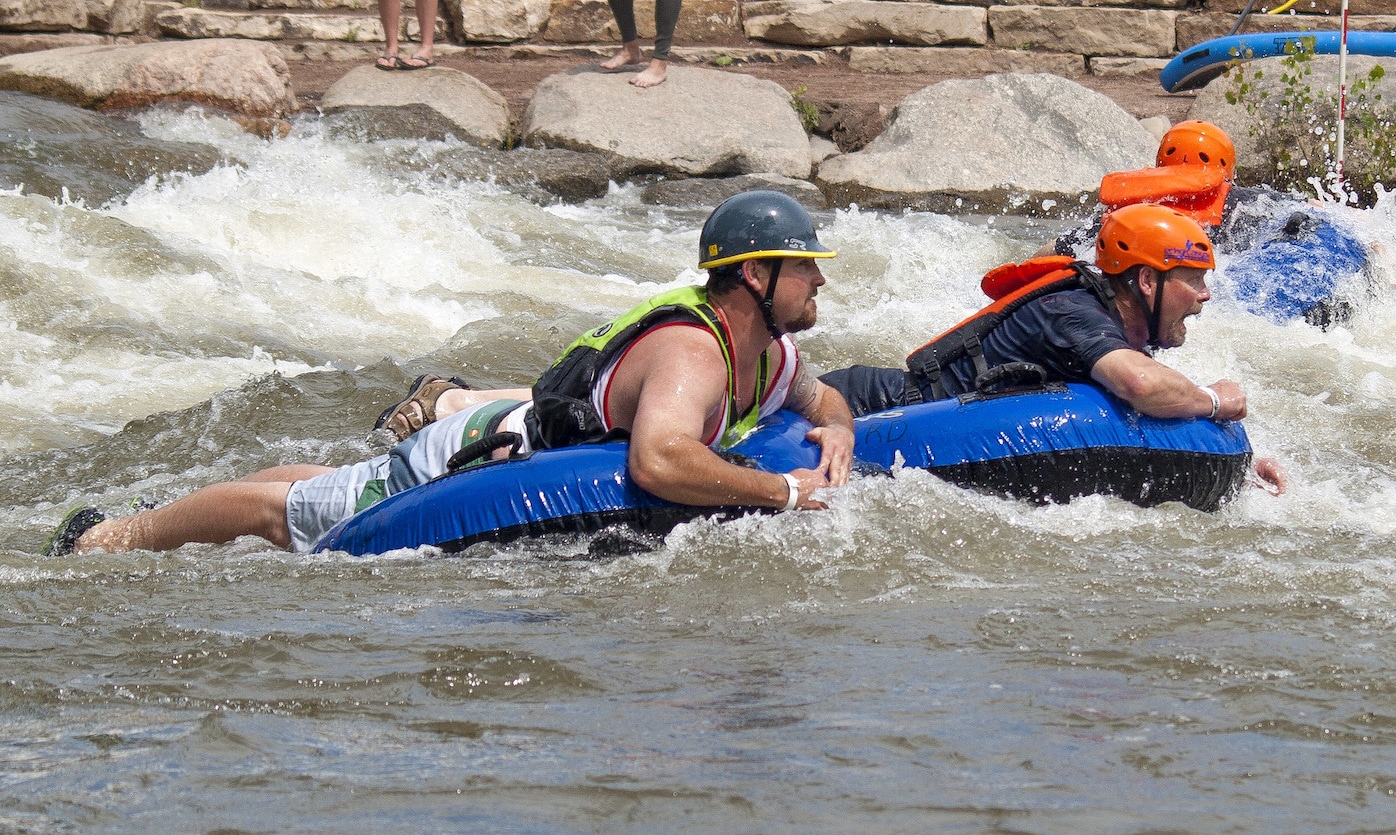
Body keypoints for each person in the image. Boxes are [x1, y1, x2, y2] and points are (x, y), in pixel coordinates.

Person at [47, 191, 857, 556]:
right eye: (805, 268)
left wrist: (839, 431)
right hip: (478, 452)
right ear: (754, 276)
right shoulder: (692, 352)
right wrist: (784, 492)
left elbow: (824, 400)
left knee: (351, 482)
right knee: (292, 517)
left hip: (514, 437)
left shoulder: (773, 353)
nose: (819, 281)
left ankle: (169, 510)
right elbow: (660, 461)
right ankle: (109, 538)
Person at [821, 203, 1287, 493]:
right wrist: (1213, 401)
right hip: (866, 405)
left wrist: (1242, 463)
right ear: (1147, 281)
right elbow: (1141, 384)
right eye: (1194, 280)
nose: (1205, 295)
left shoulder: (1111, 323)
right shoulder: (1073, 312)